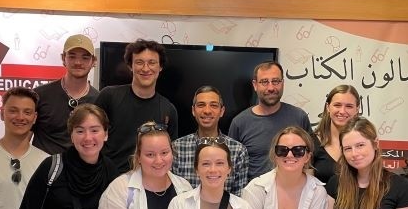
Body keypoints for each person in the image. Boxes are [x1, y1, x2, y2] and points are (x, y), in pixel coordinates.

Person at [95, 39, 178, 174]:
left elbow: (168, 155)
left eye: (152, 62)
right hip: (109, 178)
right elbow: (92, 137)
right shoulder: (108, 96)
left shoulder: (168, 110)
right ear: (130, 66)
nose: (145, 68)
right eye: (139, 62)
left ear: (160, 67)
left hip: (149, 181)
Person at [229, 61, 313, 181]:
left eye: (276, 81)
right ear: (255, 85)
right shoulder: (239, 123)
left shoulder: (299, 117)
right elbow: (231, 167)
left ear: (282, 83)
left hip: (294, 190)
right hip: (255, 191)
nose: (271, 88)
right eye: (264, 82)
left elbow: (309, 162)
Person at [173, 86, 248, 195]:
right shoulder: (177, 148)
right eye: (201, 105)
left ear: (222, 111)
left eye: (213, 105)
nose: (207, 111)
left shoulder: (238, 151)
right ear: (193, 110)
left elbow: (238, 198)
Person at [32, 34, 99, 154]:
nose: (78, 62)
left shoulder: (100, 100)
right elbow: (23, 138)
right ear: (63, 58)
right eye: (72, 56)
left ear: (93, 61)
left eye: (85, 57)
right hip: (44, 165)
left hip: (83, 165)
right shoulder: (39, 95)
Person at [313, 85, 361, 183]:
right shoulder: (311, 142)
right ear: (328, 107)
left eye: (349, 106)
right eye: (337, 105)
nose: (342, 111)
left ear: (357, 109)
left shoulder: (365, 142)